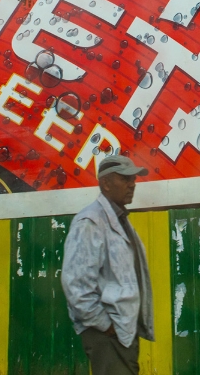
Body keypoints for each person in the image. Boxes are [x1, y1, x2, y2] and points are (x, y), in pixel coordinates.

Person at [62, 155, 154, 375]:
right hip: (107, 333)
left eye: (133, 179)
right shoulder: (91, 221)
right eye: (125, 179)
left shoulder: (119, 219)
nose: (132, 184)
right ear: (105, 183)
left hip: (121, 330)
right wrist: (106, 325)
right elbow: (75, 284)